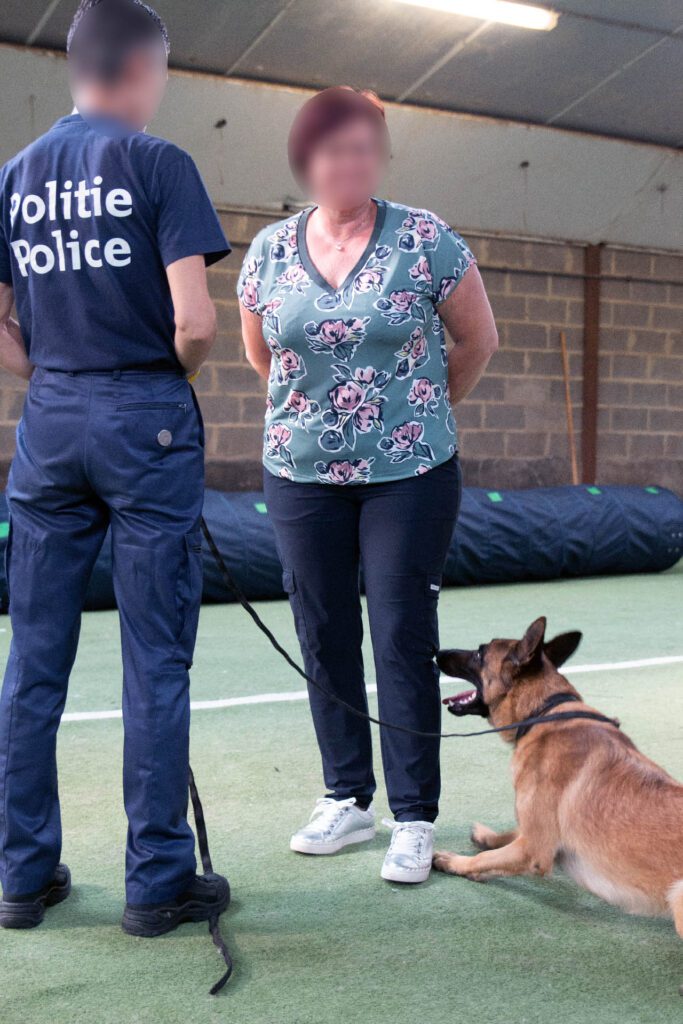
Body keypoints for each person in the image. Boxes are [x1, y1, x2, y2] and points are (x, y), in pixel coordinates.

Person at [0, 0, 231, 934]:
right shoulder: (159, 162)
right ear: (147, 68)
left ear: (74, 68)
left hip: (48, 421)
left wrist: (53, 372)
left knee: (33, 661)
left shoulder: (15, 174)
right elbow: (198, 323)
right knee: (154, 662)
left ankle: (21, 876)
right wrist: (154, 378)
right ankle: (156, 882)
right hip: (143, 419)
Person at [238, 86, 498, 884]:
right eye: (330, 149)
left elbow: (475, 340)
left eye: (361, 147)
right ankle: (345, 797)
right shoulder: (269, 251)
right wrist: (315, 424)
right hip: (301, 474)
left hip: (409, 475)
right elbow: (262, 358)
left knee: (399, 635)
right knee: (321, 632)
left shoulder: (425, 240)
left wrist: (412, 413)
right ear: (305, 158)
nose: (346, 162)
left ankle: (412, 816)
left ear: (377, 155)